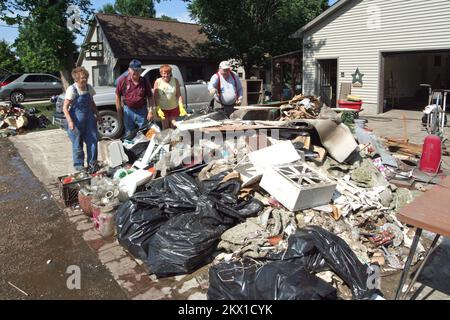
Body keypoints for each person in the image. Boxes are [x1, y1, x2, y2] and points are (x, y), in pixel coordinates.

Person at [63, 67, 100, 173]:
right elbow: (65, 107)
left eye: (85, 77)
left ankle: (92, 164)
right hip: (76, 121)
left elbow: (92, 103)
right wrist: (70, 121)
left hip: (89, 119)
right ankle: (79, 166)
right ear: (76, 79)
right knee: (77, 144)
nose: (85, 80)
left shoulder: (89, 88)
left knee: (93, 142)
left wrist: (97, 115)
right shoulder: (72, 89)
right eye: (82, 78)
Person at [115, 59, 154, 136]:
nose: (135, 72)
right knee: (129, 133)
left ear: (140, 71)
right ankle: (130, 147)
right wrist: (119, 112)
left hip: (142, 110)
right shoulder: (122, 80)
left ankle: (143, 147)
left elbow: (150, 97)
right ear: (129, 70)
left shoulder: (144, 81)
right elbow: (117, 96)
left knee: (144, 131)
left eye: (138, 70)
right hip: (128, 110)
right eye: (133, 70)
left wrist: (150, 111)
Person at [154, 64, 187, 129]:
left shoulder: (175, 80)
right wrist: (158, 108)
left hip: (174, 108)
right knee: (165, 127)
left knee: (173, 126)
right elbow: (156, 96)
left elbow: (178, 95)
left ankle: (173, 139)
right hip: (162, 109)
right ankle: (167, 139)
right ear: (161, 73)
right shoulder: (158, 81)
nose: (166, 75)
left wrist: (181, 106)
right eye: (164, 73)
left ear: (170, 73)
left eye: (168, 73)